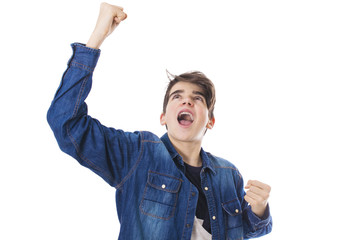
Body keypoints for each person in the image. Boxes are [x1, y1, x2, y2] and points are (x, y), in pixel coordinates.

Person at [47, 3, 272, 240]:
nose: (187, 102)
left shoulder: (229, 174)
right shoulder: (138, 153)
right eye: (177, 97)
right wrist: (97, 37)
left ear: (210, 121)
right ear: (163, 117)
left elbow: (241, 231)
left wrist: (259, 208)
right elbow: (66, 121)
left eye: (197, 99)